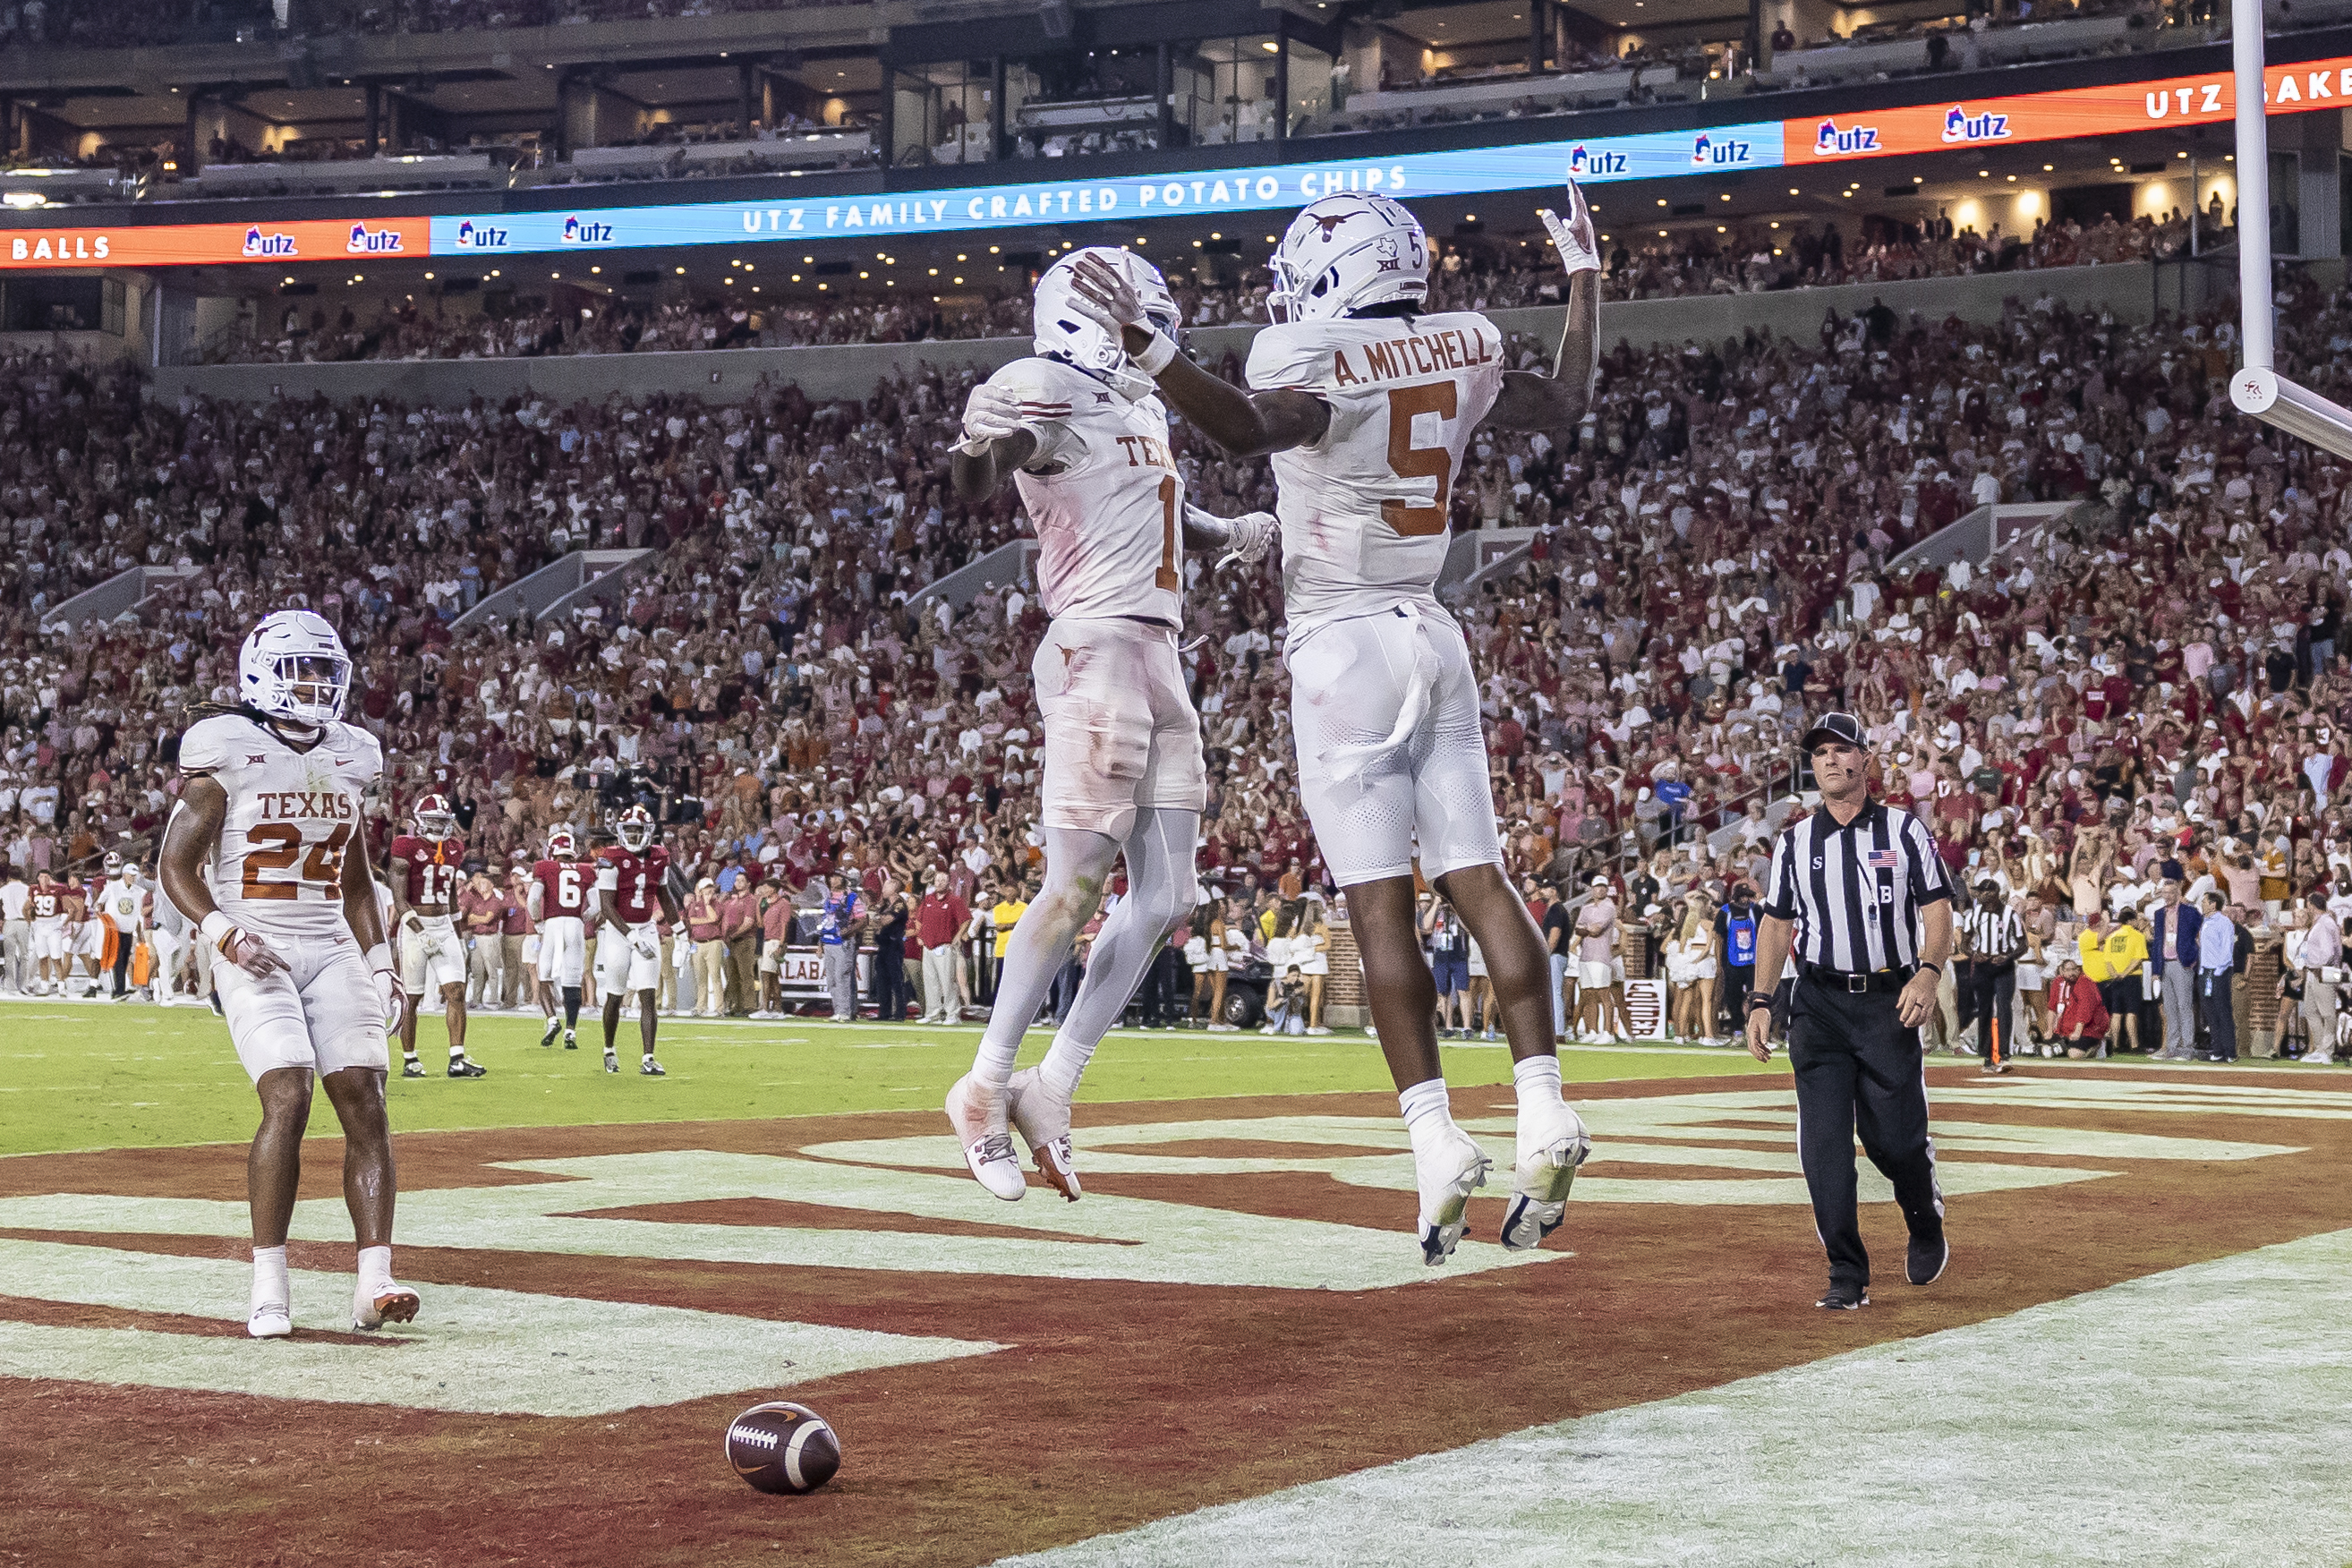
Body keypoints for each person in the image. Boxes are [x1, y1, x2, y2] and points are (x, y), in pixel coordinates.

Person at [1068, 184, 1600, 1261]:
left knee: (1379, 909)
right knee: (1480, 877)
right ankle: (1544, 1105)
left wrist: (1156, 355)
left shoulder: (1313, 360)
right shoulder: (1463, 344)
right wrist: (1586, 279)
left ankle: (1435, 1141)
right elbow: (1567, 397)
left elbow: (1253, 428)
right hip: (1434, 632)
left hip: (1343, 645)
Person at [942, 245, 1274, 1206]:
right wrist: (978, 455)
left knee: (1168, 897)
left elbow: (1150, 501)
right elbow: (989, 474)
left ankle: (1052, 1087)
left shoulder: (1137, 410)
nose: (1155, 338)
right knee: (1078, 881)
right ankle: (985, 1082)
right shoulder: (1040, 387)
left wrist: (1228, 531)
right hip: (1093, 653)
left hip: (1160, 655)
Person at [157, 609, 414, 1339]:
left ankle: (375, 1281)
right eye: (302, 670)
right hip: (254, 940)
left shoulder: (353, 753)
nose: (316, 685)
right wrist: (224, 934)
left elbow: (357, 881)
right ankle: (269, 1284)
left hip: (330, 940)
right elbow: (175, 866)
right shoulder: (226, 748)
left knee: (366, 1098)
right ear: (262, 674)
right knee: (290, 1094)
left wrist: (382, 963)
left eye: (326, 672)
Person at [1745, 712, 1953, 1311]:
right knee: (1825, 1146)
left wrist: (1928, 970)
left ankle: (1923, 1215)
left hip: (1890, 1001)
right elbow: (1777, 922)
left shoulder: (1904, 831)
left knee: (1894, 1140)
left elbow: (1937, 908)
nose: (1833, 762)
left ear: (1865, 759)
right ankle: (1846, 1272)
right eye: (1821, 755)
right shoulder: (1796, 840)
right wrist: (1763, 1000)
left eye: (1843, 751)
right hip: (1818, 1004)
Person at [389, 793, 485, 1079]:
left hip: (443, 925)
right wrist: (420, 932)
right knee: (413, 997)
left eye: (443, 821)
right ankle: (410, 1059)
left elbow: (453, 900)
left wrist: (457, 936)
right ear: (420, 821)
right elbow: (399, 898)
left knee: (456, 992)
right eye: (432, 820)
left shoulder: (454, 847)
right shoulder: (405, 845)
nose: (438, 826)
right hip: (414, 925)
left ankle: (457, 1059)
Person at [594, 804, 686, 1074]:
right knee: (615, 994)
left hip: (645, 927)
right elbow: (607, 906)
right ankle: (609, 1049)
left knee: (648, 993)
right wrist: (630, 936)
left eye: (637, 831)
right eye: (629, 831)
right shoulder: (610, 857)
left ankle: (648, 1057)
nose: (633, 836)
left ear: (648, 832)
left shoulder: (660, 856)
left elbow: (665, 896)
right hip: (618, 931)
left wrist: (680, 930)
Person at [528, 825, 594, 1050]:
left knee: (544, 975)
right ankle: (571, 1032)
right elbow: (596, 907)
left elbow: (533, 899)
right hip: (575, 924)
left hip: (554, 923)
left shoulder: (544, 867)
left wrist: (538, 921)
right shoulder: (586, 870)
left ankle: (552, 1020)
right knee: (572, 980)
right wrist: (581, 918)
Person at [1954, 878, 2023, 1073]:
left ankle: (2003, 1055)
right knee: (1984, 1009)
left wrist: (2007, 956)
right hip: (1983, 966)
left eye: (1983, 892)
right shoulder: (1974, 915)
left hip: (2003, 966)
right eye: (1979, 892)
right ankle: (1987, 1056)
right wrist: (1973, 954)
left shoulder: (2009, 914)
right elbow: (1965, 943)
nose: (1980, 895)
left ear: (1993, 893)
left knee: (2003, 1007)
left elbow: (2022, 943)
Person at [2147, 879, 2202, 1061]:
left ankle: (2187, 1048)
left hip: (2181, 963)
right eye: (2164, 893)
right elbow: (2157, 943)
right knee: (2169, 1008)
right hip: (2165, 963)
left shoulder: (2190, 912)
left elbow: (2199, 933)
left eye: (2170, 892)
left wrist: (2192, 958)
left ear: (2178, 893)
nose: (2167, 896)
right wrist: (2156, 970)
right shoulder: (2159, 914)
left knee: (2184, 1006)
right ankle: (2170, 1048)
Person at [2292, 896, 2343, 1065]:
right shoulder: (2320, 922)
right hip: (2314, 972)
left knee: (2327, 1013)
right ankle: (2321, 1048)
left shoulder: (2325, 923)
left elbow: (2328, 951)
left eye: (2308, 906)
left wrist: (2319, 967)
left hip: (2322, 972)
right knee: (2310, 1011)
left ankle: (2327, 1051)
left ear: (2312, 905)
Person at [915, 870, 969, 1024]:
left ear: (948, 883)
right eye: (937, 880)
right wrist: (921, 935)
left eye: (942, 881)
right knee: (930, 981)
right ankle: (933, 1013)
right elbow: (919, 919)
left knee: (947, 981)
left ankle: (953, 1013)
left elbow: (966, 920)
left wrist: (958, 936)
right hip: (929, 946)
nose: (939, 883)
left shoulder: (954, 900)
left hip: (944, 945)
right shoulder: (928, 899)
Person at [94, 852, 146, 1001]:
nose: (133, 877)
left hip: (129, 929)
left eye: (134, 875)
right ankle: (119, 989)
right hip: (115, 930)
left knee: (124, 959)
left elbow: (138, 912)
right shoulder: (113, 887)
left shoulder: (138, 891)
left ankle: (119, 989)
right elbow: (99, 902)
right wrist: (104, 920)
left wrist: (139, 931)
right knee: (117, 959)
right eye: (130, 875)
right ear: (124, 874)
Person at [2194, 891, 2238, 1062]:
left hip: (2219, 971)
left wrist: (2219, 970)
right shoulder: (2204, 922)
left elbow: (2227, 948)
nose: (2202, 904)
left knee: (2223, 1011)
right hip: (2205, 972)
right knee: (2210, 1013)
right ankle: (2217, 1049)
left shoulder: (2224, 922)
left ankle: (2230, 1051)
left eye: (2204, 901)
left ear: (2213, 904)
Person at [815, 871, 863, 1022]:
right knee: (831, 979)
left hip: (844, 943)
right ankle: (838, 1010)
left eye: (835, 877)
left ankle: (845, 1011)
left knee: (842, 976)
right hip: (829, 942)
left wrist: (847, 931)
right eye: (831, 877)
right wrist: (820, 943)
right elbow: (826, 922)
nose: (832, 879)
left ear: (843, 880)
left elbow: (862, 920)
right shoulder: (829, 899)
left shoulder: (852, 898)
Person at [1714, 882, 1760, 1036]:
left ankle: (1756, 1029)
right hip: (1731, 962)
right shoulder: (1725, 912)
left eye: (1748, 896)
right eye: (1743, 896)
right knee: (1733, 997)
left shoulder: (1757, 910)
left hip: (1753, 962)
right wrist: (1719, 962)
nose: (1746, 899)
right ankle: (1737, 1029)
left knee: (1757, 997)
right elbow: (1718, 938)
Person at [2044, 957, 2110, 1058]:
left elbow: (2085, 1009)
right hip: (2065, 1029)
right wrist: (2049, 1030)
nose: (2072, 973)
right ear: (2061, 971)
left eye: (2074, 969)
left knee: (2075, 1054)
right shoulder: (2057, 982)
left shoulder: (2085, 983)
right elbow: (2052, 1008)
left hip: (2088, 1029)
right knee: (2048, 1051)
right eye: (2068, 970)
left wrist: (2077, 1031)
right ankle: (2067, 1047)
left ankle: (2098, 1045)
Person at [870, 875, 912, 1023]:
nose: (883, 889)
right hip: (883, 945)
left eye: (886, 886)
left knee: (896, 980)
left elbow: (885, 920)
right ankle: (884, 1012)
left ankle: (900, 1012)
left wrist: (879, 922)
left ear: (894, 888)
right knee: (882, 980)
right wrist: (879, 923)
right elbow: (878, 922)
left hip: (893, 945)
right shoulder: (885, 905)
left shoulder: (899, 904)